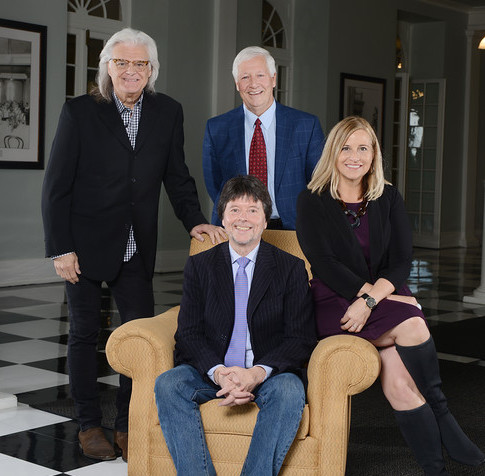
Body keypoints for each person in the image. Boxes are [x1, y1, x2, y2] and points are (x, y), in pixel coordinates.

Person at [41, 28, 225, 462]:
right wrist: (60, 247)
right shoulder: (80, 112)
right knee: (86, 335)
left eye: (140, 63)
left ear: (151, 70)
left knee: (139, 338)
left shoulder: (168, 112)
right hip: (84, 247)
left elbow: (177, 177)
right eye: (122, 62)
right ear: (108, 67)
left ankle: (128, 423)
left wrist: (195, 221)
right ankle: (89, 425)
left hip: (136, 246)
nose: (131, 70)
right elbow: (56, 187)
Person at [296, 116, 484, 476]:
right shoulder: (312, 200)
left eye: (363, 148)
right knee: (413, 322)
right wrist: (377, 300)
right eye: (346, 148)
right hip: (335, 299)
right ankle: (443, 413)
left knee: (399, 385)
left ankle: (434, 468)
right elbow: (325, 263)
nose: (355, 156)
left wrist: (372, 301)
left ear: (374, 154)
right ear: (333, 153)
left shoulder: (388, 196)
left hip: (379, 295)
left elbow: (400, 262)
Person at [154, 175, 316, 475]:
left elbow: (300, 338)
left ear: (265, 221)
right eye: (235, 210)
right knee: (169, 383)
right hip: (213, 372)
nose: (244, 218)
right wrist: (220, 374)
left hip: (268, 374)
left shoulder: (290, 268)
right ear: (223, 219)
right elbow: (187, 333)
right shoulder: (200, 266)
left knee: (291, 390)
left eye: (253, 210)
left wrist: (255, 373)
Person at [203, 46, 325, 230]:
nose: (253, 84)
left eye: (260, 75)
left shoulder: (306, 125)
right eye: (245, 77)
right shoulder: (217, 128)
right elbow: (215, 185)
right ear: (237, 84)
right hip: (237, 229)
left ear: (273, 79)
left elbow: (319, 183)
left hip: (293, 229)